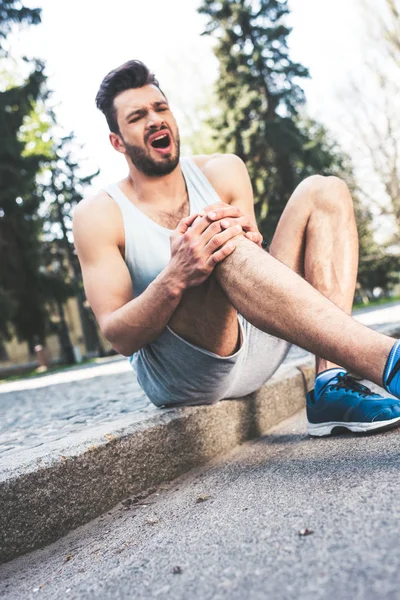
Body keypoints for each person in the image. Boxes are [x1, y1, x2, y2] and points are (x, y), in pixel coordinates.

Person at [73, 60, 400, 437]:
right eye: (137, 116)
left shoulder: (223, 170)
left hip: (255, 346)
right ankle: (388, 361)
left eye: (161, 109)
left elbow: (250, 275)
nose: (155, 120)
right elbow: (118, 334)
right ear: (117, 141)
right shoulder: (98, 215)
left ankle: (330, 385)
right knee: (214, 236)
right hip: (183, 374)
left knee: (324, 190)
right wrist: (174, 276)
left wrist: (252, 243)